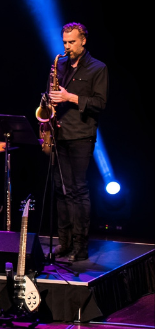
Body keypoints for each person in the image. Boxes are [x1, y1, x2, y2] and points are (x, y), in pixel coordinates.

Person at [47, 22, 108, 263]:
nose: (67, 47)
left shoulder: (98, 68)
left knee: (78, 191)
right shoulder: (59, 65)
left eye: (71, 42)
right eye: (64, 42)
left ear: (83, 40)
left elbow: (100, 103)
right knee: (61, 190)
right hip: (58, 133)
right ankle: (64, 242)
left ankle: (80, 246)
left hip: (81, 135)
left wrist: (69, 97)